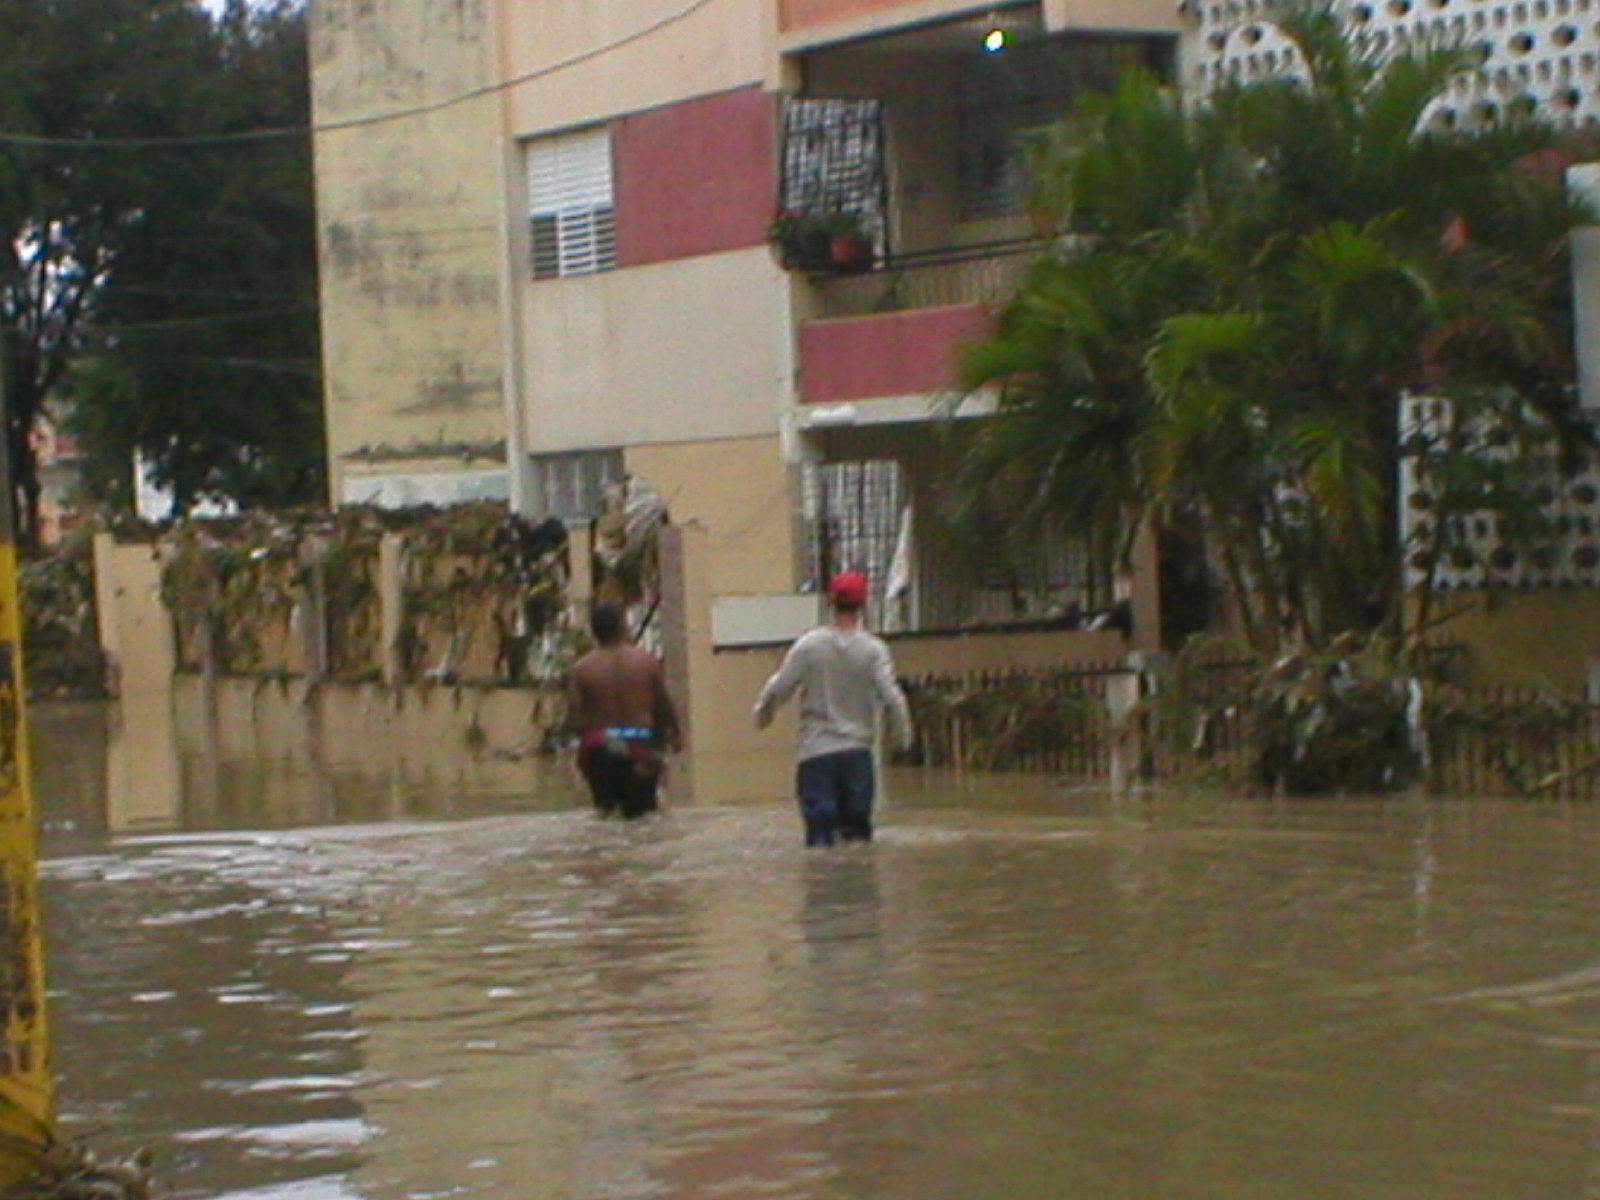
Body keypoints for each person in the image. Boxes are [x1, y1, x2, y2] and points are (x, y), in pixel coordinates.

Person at [753, 571, 913, 847]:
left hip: (816, 757)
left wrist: (762, 715)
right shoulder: (874, 650)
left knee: (820, 844)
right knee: (857, 842)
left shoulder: (809, 646)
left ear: (830, 601)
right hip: (857, 757)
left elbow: (780, 686)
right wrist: (904, 737)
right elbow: (893, 697)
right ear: (863, 604)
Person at [567, 601, 683, 819]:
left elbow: (575, 719)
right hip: (637, 741)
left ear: (594, 631)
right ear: (622, 626)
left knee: (607, 814)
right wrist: (674, 734)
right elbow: (663, 703)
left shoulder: (582, 669)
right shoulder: (646, 662)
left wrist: (583, 750)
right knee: (642, 816)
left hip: (600, 743)